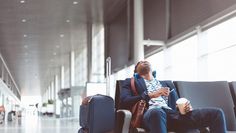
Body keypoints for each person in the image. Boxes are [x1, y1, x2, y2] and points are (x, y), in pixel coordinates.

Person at [120, 60, 227, 133]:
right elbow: (124, 101)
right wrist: (149, 95)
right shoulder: (131, 82)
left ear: (153, 70)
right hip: (151, 114)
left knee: (217, 113)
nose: (143, 61)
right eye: (140, 62)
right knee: (157, 111)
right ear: (136, 73)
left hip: (173, 115)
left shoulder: (167, 84)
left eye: (146, 61)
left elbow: (176, 104)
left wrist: (185, 108)